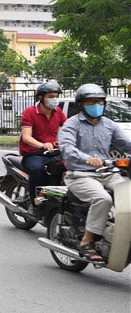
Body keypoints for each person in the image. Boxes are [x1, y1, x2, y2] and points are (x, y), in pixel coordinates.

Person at [58, 83, 131, 262]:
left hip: (107, 173)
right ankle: (87, 241)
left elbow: (126, 145)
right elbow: (66, 148)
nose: (97, 104)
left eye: (100, 101)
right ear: (81, 104)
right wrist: (86, 158)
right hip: (80, 174)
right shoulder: (71, 124)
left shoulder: (109, 124)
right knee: (103, 199)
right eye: (91, 101)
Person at [18, 80, 66, 206]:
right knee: (37, 169)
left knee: (69, 168)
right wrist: (41, 145)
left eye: (56, 96)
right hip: (33, 153)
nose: (54, 99)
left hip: (53, 152)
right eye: (51, 97)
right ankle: (33, 202)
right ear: (41, 97)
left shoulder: (58, 112)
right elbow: (26, 137)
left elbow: (69, 129)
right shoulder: (30, 112)